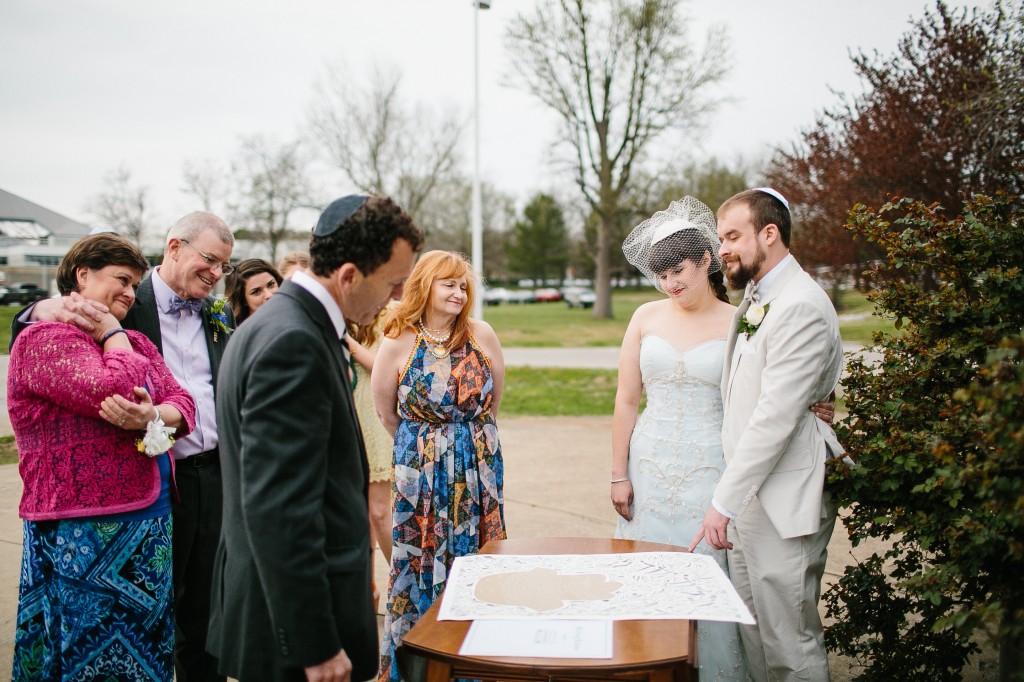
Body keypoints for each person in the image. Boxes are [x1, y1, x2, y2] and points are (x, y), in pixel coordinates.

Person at [14, 211, 237, 682]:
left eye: (224, 266)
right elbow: (107, 385)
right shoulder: (87, 328)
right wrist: (105, 332)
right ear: (174, 248)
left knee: (197, 615)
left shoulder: (210, 315)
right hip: (87, 521)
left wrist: (156, 413)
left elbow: (186, 400)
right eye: (209, 259)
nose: (217, 274)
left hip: (194, 484)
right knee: (88, 644)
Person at [208, 193, 422, 682]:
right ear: (348, 276)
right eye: (392, 283)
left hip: (278, 612)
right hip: (294, 636)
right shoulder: (294, 342)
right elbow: (281, 508)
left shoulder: (280, 323)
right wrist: (316, 645)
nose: (396, 298)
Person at [691, 188, 845, 681]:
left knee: (789, 645)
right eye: (721, 239)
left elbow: (775, 416)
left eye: (733, 236)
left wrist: (725, 500)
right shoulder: (758, 299)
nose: (723, 250)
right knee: (755, 634)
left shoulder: (800, 304)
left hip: (784, 499)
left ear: (769, 234)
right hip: (752, 498)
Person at [372, 250, 507, 682]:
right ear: (424, 286)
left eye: (463, 285)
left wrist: (464, 443)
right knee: (419, 559)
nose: (458, 292)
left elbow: (493, 402)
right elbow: (387, 413)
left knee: (478, 558)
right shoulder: (397, 340)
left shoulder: (481, 334)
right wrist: (428, 448)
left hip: (477, 467)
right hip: (420, 475)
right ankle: (418, 666)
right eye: (448, 283)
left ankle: (478, 664)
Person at [347, 307, 396, 568]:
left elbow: (382, 366)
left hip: (374, 416)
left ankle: (404, 584)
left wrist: (347, 341)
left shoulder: (389, 313)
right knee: (361, 516)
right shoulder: (340, 310)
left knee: (379, 512)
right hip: (348, 414)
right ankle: (367, 594)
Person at [225, 258, 282, 324]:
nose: (269, 295)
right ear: (243, 300)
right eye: (256, 292)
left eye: (271, 285)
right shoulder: (239, 333)